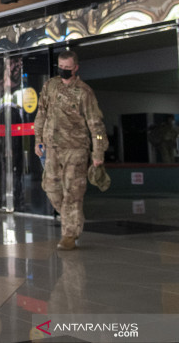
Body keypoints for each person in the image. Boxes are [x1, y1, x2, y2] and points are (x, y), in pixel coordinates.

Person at [33, 50, 108, 251]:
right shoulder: (50, 86)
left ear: (76, 68)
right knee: (51, 187)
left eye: (68, 68)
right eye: (61, 67)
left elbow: (96, 126)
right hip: (51, 148)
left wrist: (98, 153)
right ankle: (72, 218)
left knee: (73, 192)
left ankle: (69, 235)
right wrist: (38, 140)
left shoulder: (84, 92)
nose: (64, 71)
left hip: (76, 149)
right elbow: (41, 113)